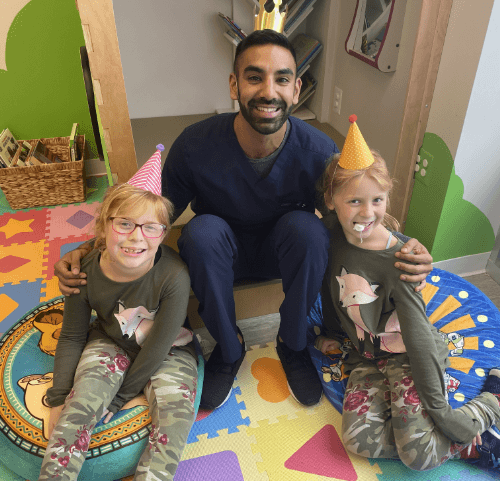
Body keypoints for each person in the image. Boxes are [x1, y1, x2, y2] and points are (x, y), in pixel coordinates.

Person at [54, 30, 432, 411]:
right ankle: (229, 348)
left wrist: (401, 246)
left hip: (283, 253)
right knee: (201, 232)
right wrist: (90, 249)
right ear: (234, 84)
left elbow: (356, 216)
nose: (269, 91)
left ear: (296, 89)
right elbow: (146, 212)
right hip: (218, 257)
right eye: (255, 77)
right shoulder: (195, 144)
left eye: (282, 79)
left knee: (310, 230)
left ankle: (294, 341)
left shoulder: (319, 150)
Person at [315, 116, 500, 471]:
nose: (366, 213)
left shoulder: (401, 262)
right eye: (354, 201)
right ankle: (455, 446)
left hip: (409, 358)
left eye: (377, 200)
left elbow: (416, 336)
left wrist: (445, 417)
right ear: (331, 200)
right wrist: (327, 333)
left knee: (419, 458)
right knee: (357, 441)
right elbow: (328, 289)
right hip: (366, 358)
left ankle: (489, 405)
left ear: (387, 198)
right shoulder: (328, 233)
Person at [34, 147, 198, 481]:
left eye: (151, 227)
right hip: (109, 342)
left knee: (175, 418)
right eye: (124, 223)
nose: (137, 236)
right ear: (103, 225)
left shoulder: (174, 275)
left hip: (169, 350)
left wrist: (121, 395)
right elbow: (73, 335)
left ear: (163, 232)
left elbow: (157, 346)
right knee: (81, 404)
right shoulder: (86, 270)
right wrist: (60, 396)